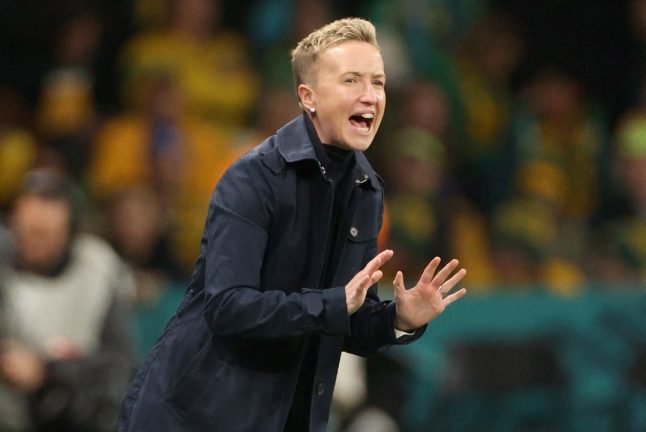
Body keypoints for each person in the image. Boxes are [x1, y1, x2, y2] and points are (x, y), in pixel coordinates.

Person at [118, 17, 467, 432]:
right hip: (194, 417)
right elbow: (228, 307)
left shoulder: (366, 189)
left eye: (378, 82)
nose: (370, 96)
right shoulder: (251, 179)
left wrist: (398, 319)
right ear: (308, 97)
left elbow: (345, 319)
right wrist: (333, 305)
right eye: (351, 81)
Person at [0, 169, 135, 432]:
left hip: (80, 413)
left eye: (45, 234)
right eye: (25, 231)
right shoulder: (3, 263)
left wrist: (48, 372)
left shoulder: (99, 269)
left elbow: (120, 367)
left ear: (70, 233)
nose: (32, 243)